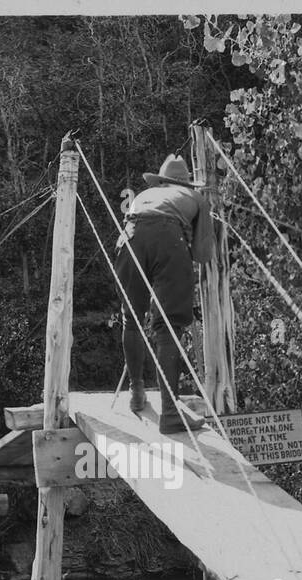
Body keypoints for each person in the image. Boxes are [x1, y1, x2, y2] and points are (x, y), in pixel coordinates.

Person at [115, 154, 215, 434]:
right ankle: (170, 414)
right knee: (167, 327)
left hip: (129, 237)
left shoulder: (144, 195)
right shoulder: (195, 198)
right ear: (186, 183)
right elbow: (203, 254)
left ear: (160, 180)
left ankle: (137, 393)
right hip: (168, 237)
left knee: (131, 317)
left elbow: (140, 225)